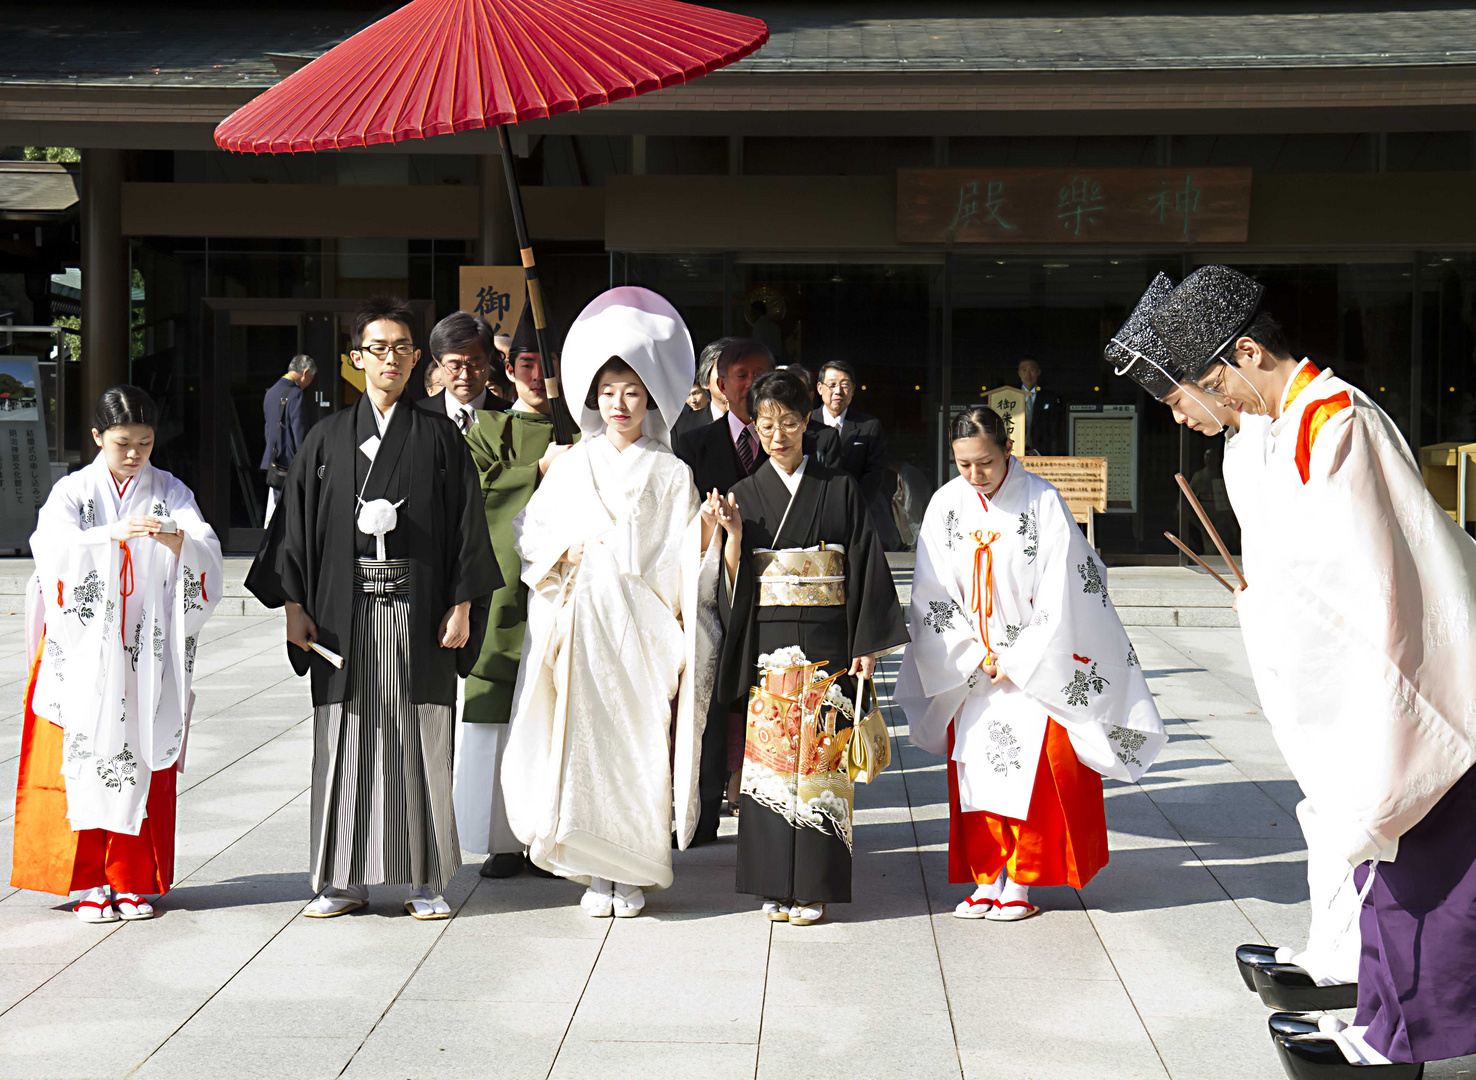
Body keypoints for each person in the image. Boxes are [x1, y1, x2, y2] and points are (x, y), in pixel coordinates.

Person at [1158, 265, 1476, 1076]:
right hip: (1379, 676)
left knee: (1417, 875)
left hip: (1412, 682)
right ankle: (1382, 1023)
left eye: (1212, 384)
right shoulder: (1301, 421)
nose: (1219, 404)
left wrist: (1277, 613)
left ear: (1250, 353)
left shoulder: (1336, 422)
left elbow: (1367, 582)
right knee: (1389, 869)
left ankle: (1391, 1041)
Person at [1109, 273, 1363, 1008]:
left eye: (1189, 393)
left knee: (1358, 816)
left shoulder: (1334, 419)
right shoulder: (1269, 429)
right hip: (1308, 651)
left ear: (1242, 358)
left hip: (1348, 660)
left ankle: (1364, 976)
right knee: (1327, 808)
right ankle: (1336, 950)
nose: (1186, 415)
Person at [246, 295, 500, 921]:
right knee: (345, 739)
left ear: (421, 362)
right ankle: (341, 877)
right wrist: (293, 607)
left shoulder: (440, 439)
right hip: (339, 614)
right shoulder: (326, 439)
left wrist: (463, 604)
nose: (391, 360)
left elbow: (468, 529)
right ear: (355, 359)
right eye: (378, 349)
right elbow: (295, 532)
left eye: (403, 349)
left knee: (421, 736)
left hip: (420, 614)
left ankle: (424, 877)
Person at [501, 286, 722, 919]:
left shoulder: (671, 472)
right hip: (584, 629)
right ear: (593, 399)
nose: (619, 404)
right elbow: (532, 534)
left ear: (650, 397)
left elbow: (685, 559)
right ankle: (598, 873)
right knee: (584, 750)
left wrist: (705, 539)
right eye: (608, 392)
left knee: (640, 749)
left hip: (644, 631)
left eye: (631, 391)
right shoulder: (573, 464)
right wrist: (561, 556)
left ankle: (636, 871)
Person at [895, 407, 1164, 923]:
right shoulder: (945, 504)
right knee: (977, 770)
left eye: (987, 462)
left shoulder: (1042, 500)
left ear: (1007, 450)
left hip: (1033, 661)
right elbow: (930, 589)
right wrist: (973, 652)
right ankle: (984, 875)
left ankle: (1019, 877)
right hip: (970, 665)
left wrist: (1016, 657)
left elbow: (1068, 587)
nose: (975, 475)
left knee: (1033, 773)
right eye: (964, 464)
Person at [12, 386, 222, 922]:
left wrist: (176, 538)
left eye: (145, 443)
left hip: (144, 648)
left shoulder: (169, 489)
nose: (134, 454)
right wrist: (107, 534)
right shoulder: (71, 492)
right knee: (82, 756)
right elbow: (49, 549)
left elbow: (203, 542)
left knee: (141, 752)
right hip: (83, 648)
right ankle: (87, 883)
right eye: (123, 442)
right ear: (97, 437)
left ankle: (131, 880)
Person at [712, 369, 908, 926]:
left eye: (791, 424)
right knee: (772, 768)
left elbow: (865, 565)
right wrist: (730, 535)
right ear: (755, 425)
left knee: (822, 765)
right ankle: (774, 882)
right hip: (768, 643)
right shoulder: (745, 494)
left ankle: (815, 883)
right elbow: (735, 582)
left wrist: (866, 643)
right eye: (767, 424)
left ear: (808, 424)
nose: (779, 436)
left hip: (829, 643)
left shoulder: (839, 488)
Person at [456, 312, 573, 880]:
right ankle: (504, 838)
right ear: (509, 367)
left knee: (560, 712)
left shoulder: (584, 433)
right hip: (503, 594)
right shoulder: (485, 428)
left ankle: (555, 836)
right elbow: (474, 498)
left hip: (567, 595)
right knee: (500, 711)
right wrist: (537, 471)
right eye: (526, 364)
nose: (536, 375)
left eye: (545, 365)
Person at [419, 310, 505, 432]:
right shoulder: (417, 416)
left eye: (474, 365)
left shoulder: (510, 417)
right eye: (455, 366)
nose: (465, 376)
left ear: (488, 358)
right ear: (437, 362)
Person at [813, 359, 886, 503]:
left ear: (852, 389)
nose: (838, 391)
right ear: (820, 388)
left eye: (844, 385)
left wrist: (854, 506)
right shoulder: (806, 423)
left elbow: (874, 474)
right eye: (832, 385)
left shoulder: (869, 426)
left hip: (852, 507)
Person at [262, 354, 317, 524]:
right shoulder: (295, 394)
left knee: (277, 507)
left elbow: (267, 428)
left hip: (273, 460)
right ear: (305, 373)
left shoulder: (271, 392)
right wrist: (305, 460)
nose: (310, 383)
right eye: (311, 378)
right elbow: (299, 431)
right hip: (289, 461)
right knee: (292, 511)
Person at [670, 335, 734, 443]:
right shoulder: (683, 428)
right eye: (723, 370)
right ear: (706, 380)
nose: (731, 378)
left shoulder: (763, 424)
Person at [1018, 357, 1066, 456]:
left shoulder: (1050, 398)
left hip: (1041, 453)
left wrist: (1038, 451)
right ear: (1019, 373)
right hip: (1015, 454)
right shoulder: (1011, 396)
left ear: (1038, 372)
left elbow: (1054, 428)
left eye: (1032, 370)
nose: (1028, 374)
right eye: (1024, 370)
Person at [748, 299, 785, 363]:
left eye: (752, 312)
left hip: (764, 359)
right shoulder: (774, 325)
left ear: (757, 312)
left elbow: (757, 345)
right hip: (776, 359)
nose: (751, 315)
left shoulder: (759, 325)